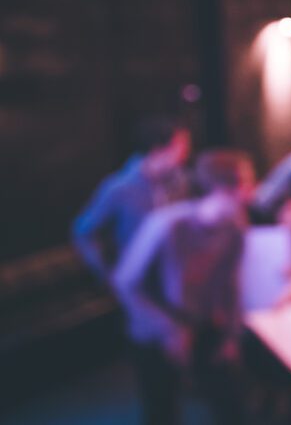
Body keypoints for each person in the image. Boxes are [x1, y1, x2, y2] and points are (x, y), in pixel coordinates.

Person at [113, 149, 254, 425]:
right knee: (162, 412)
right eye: (247, 182)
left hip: (201, 324)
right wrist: (168, 329)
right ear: (229, 186)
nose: (251, 190)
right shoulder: (168, 223)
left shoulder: (234, 230)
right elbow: (125, 282)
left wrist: (232, 335)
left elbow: (231, 286)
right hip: (154, 330)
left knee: (231, 406)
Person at [73, 117, 191, 281]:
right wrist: (108, 273)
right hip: (139, 278)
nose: (186, 153)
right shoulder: (118, 187)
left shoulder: (179, 180)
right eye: (180, 147)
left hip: (173, 274)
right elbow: (84, 232)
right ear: (157, 150)